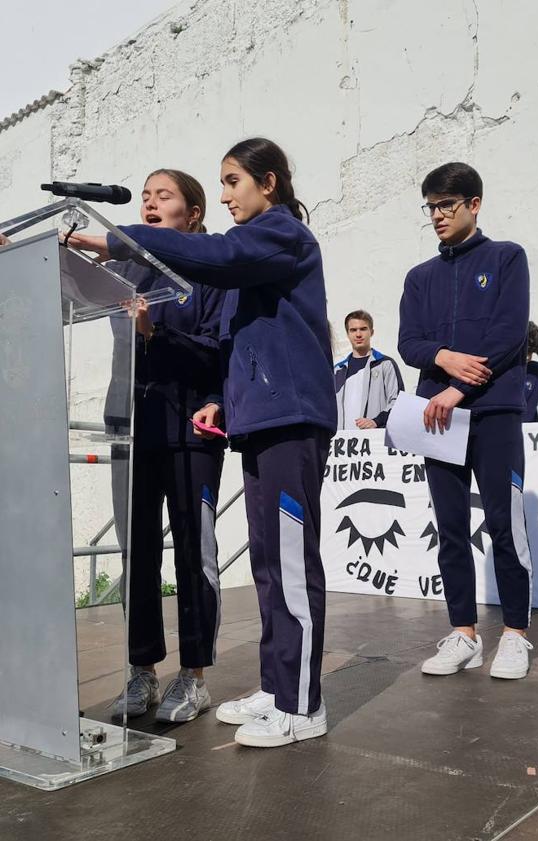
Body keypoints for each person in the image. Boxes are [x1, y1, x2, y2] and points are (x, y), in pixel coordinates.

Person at [70, 138, 336, 747]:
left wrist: (114, 238)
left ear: (268, 184)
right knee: (269, 564)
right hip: (261, 421)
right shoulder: (253, 253)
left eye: (233, 181)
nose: (224, 195)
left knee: (290, 565)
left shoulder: (282, 235)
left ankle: (302, 705)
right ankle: (278, 685)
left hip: (290, 419)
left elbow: (216, 257)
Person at [398, 161, 534, 681]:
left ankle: (516, 634)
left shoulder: (506, 258)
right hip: (437, 417)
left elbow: (508, 335)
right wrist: (444, 358)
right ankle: (464, 633)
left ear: (474, 204)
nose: (437, 216)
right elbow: (410, 342)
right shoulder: (420, 277)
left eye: (446, 206)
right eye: (430, 207)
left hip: (493, 410)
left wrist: (459, 384)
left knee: (505, 523)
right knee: (449, 528)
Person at [105, 169, 226, 723]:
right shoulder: (125, 270)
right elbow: (73, 274)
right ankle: (141, 672)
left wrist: (158, 332)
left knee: (192, 552)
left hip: (189, 427)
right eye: (146, 197)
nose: (150, 204)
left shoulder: (213, 271)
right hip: (129, 423)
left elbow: (217, 353)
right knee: (137, 555)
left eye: (165, 196)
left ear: (193, 214)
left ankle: (194, 675)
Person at [334, 309, 404, 429]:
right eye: (353, 330)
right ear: (348, 334)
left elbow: (398, 402)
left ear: (371, 332)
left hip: (374, 442)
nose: (358, 334)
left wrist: (376, 421)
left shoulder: (385, 364)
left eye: (363, 329)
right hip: (343, 442)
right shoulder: (337, 370)